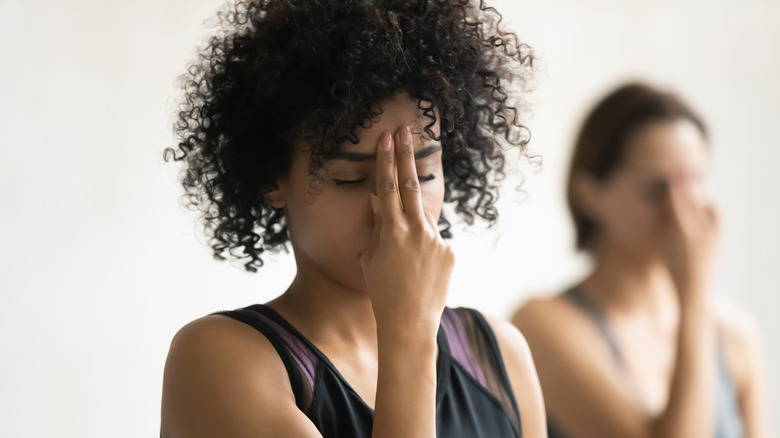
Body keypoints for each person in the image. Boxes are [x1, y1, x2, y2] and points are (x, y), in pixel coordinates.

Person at [161, 1, 546, 437]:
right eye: (351, 179)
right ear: (272, 179)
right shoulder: (221, 360)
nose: (394, 208)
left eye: (423, 173)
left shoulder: (499, 355)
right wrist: (408, 330)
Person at [512, 83, 768, 438]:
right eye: (656, 190)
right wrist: (693, 293)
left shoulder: (736, 336)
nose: (681, 211)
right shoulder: (541, 326)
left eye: (694, 183)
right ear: (589, 195)